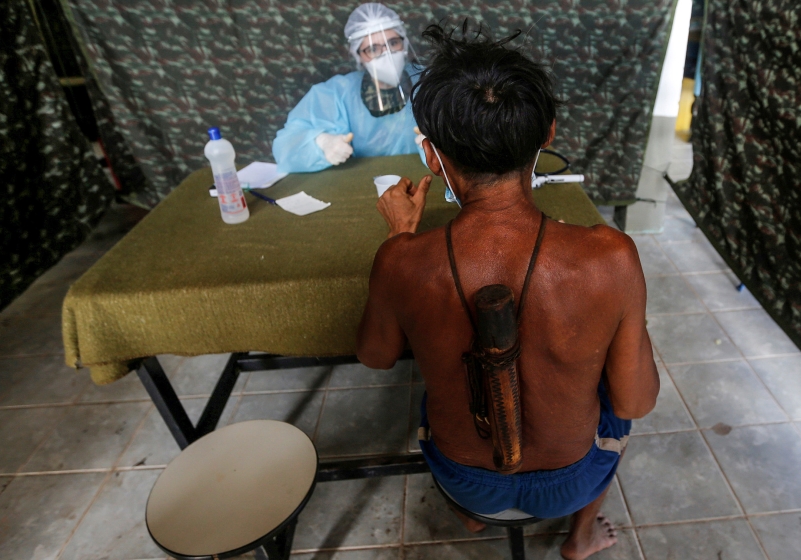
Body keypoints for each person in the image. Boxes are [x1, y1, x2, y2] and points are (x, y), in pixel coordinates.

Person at [356, 23, 659, 560]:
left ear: (431, 156)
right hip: (571, 484)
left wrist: (400, 241)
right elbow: (637, 400)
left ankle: (473, 521)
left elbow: (376, 358)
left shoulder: (401, 261)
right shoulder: (611, 258)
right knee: (616, 402)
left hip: (466, 481)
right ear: (549, 133)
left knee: (432, 392)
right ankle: (579, 537)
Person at [271, 3, 423, 173]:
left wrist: (440, 144)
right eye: (373, 48)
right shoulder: (338, 93)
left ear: (404, 44)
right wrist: (320, 144)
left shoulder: (429, 83)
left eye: (393, 43)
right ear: (358, 55)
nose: (386, 54)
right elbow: (285, 147)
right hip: (364, 181)